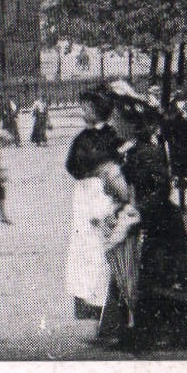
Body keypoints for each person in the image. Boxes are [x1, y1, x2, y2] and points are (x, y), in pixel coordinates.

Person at [96, 82, 187, 353]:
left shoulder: (147, 152)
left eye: (116, 120)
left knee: (166, 278)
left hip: (163, 224)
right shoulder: (133, 151)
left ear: (130, 124)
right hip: (151, 221)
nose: (112, 125)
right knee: (148, 277)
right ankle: (142, 333)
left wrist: (139, 211)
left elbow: (161, 188)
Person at [63, 83, 120, 320]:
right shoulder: (83, 137)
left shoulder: (110, 137)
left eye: (86, 108)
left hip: (101, 193)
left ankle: (101, 300)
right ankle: (85, 298)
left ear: (97, 110)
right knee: (83, 245)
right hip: (84, 195)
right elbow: (71, 165)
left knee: (100, 244)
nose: (82, 112)